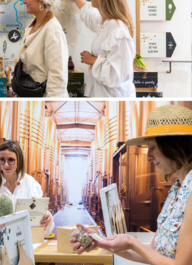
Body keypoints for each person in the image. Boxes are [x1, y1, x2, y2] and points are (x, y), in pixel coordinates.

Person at [71, 105, 192, 263]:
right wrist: (102, 242)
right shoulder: (176, 189)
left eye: (152, 148)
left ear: (175, 145)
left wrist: (132, 242)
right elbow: (153, 253)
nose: (148, 157)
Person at [61, 0, 136, 97]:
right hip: (101, 96)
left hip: (113, 98)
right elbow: (89, 13)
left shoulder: (118, 30)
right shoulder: (105, 23)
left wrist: (93, 60)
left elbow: (117, 74)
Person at [19, 0, 69, 97]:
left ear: (41, 1)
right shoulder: (35, 24)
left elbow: (58, 77)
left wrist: (49, 107)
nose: (24, 1)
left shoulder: (53, 31)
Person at [0, 140, 55, 236]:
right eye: (2, 159)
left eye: (11, 160)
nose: (6, 165)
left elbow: (38, 210)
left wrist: (46, 217)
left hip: (26, 239)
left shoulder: (30, 183)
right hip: (0, 240)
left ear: (18, 160)